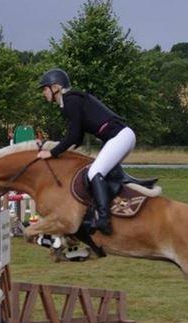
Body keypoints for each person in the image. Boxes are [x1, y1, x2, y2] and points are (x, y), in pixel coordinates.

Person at [35, 68, 136, 235]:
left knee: (94, 172)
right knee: (102, 173)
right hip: (121, 137)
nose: (43, 93)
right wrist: (62, 152)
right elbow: (77, 138)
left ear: (55, 87)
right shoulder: (71, 101)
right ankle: (114, 208)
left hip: (120, 137)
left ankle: (104, 220)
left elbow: (73, 135)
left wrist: (51, 153)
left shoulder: (70, 101)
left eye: (44, 89)